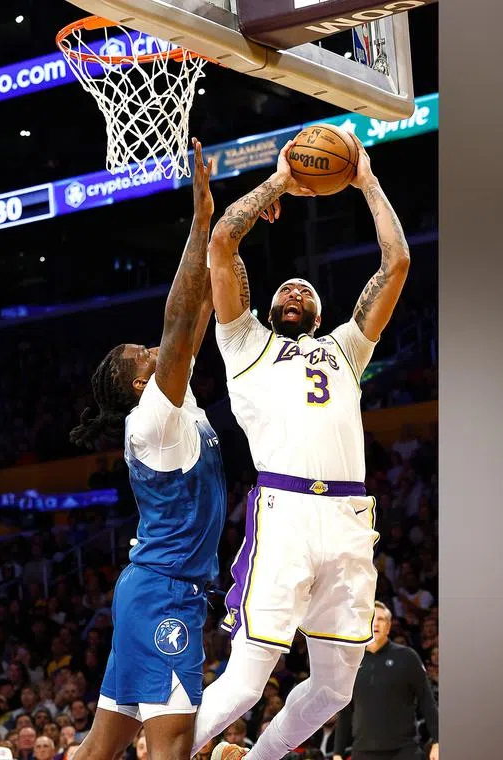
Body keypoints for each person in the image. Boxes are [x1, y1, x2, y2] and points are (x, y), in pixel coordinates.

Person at [192, 137, 412, 760]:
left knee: (336, 688)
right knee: (245, 682)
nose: (294, 292)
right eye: (285, 290)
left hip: (347, 518)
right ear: (267, 308)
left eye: (305, 292)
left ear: (318, 313)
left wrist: (366, 180)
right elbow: (222, 242)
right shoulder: (244, 343)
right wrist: (280, 181)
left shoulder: (346, 348)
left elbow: (396, 263)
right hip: (285, 512)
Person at [66, 141, 237, 760]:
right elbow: (178, 320)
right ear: (141, 384)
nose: (153, 349)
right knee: (171, 748)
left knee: (101, 748)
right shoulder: (152, 421)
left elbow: (197, 314)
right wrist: (199, 221)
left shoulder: (175, 403)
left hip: (154, 590)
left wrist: (225, 240)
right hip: (164, 593)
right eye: (144, 355)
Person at [332, 603, 439, 760]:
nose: (375, 623)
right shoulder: (351, 662)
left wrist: (437, 740)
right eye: (371, 619)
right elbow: (345, 711)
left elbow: (427, 701)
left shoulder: (407, 657)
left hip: (403, 751)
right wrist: (337, 752)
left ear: (388, 627)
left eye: (381, 619)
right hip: (363, 752)